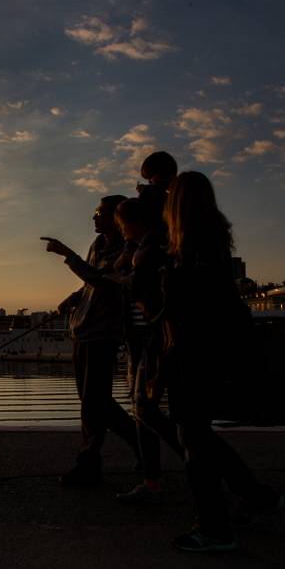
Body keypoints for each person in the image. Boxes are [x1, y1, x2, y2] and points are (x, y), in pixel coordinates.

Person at [161, 171, 281, 552]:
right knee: (198, 436)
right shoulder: (210, 240)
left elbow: (194, 303)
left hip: (197, 354)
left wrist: (164, 281)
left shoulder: (194, 247)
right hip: (208, 352)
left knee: (194, 439)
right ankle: (255, 496)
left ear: (177, 204)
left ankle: (215, 527)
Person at [42, 195, 141, 487]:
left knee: (93, 403)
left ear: (115, 217)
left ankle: (89, 465)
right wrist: (73, 298)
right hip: (82, 328)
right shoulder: (98, 245)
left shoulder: (126, 249)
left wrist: (66, 254)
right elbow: (91, 282)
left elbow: (106, 284)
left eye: (98, 213)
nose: (93, 218)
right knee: (94, 401)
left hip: (103, 333)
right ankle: (140, 443)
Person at [111, 198, 184, 504]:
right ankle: (152, 480)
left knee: (146, 410)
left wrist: (113, 277)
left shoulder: (152, 249)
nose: (120, 229)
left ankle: (198, 462)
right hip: (139, 340)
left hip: (154, 337)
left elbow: (133, 287)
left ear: (134, 222)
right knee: (142, 411)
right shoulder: (138, 249)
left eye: (121, 223)